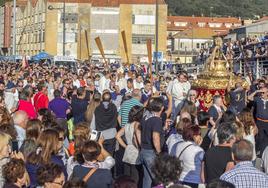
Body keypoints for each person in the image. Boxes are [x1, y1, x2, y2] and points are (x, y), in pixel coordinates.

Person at [140, 97, 165, 188]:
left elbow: (141, 130)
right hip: (151, 152)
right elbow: (155, 137)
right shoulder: (156, 120)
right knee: (159, 181)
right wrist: (159, 152)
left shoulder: (146, 117)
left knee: (147, 179)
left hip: (143, 150)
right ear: (161, 108)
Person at [116, 105, 144, 185]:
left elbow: (117, 136)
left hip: (127, 152)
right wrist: (139, 148)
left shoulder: (127, 124)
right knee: (136, 178)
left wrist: (126, 146)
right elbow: (136, 138)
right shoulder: (137, 124)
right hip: (135, 153)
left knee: (127, 179)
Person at [248, 86, 268, 155]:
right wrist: (256, 91)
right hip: (259, 122)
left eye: (263, 92)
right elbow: (249, 98)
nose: (261, 94)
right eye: (261, 92)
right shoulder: (258, 99)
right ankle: (256, 152)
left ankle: (264, 153)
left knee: (266, 139)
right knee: (260, 138)